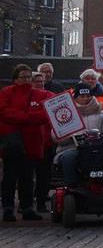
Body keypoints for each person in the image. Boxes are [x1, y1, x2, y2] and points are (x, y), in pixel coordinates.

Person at [0, 65, 49, 221]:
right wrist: (28, 117)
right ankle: (8, 208)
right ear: (15, 79)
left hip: (31, 141)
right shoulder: (6, 92)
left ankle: (27, 207)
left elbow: (48, 111)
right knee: (10, 176)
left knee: (28, 177)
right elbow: (5, 112)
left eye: (29, 77)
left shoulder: (41, 94)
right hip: (12, 143)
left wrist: (25, 118)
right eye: (23, 77)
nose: (27, 80)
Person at [57, 82, 103, 188]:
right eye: (82, 96)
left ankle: (101, 182)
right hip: (71, 148)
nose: (85, 98)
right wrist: (72, 137)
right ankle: (72, 185)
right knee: (70, 158)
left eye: (88, 96)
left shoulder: (100, 112)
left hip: (95, 148)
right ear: (76, 97)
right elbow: (57, 136)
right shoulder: (65, 113)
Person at [30, 72, 56, 213]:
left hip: (46, 142)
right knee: (27, 175)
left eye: (42, 81)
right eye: (37, 81)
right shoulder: (26, 97)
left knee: (44, 175)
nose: (40, 83)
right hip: (29, 142)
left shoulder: (50, 96)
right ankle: (26, 203)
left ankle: (41, 202)